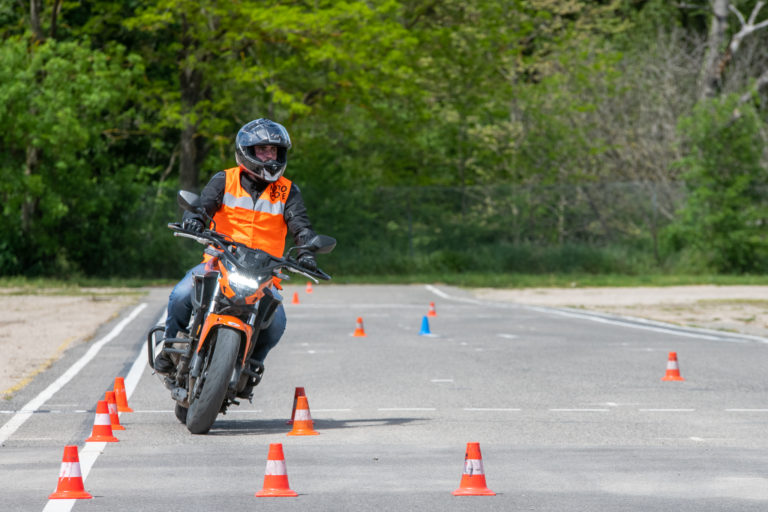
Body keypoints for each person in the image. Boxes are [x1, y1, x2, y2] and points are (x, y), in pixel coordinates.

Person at [154, 119, 318, 389]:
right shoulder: (225, 180)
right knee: (181, 295)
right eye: (263, 150)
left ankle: (251, 366)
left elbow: (301, 227)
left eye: (274, 151)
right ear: (247, 152)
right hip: (219, 263)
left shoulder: (288, 191)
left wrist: (307, 252)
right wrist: (194, 218)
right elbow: (203, 206)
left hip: (264, 274)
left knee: (276, 324)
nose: (270, 156)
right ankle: (169, 349)